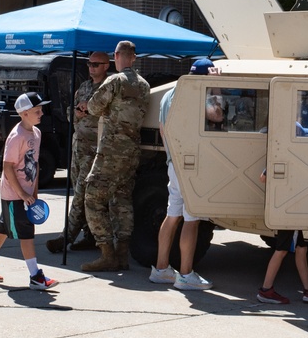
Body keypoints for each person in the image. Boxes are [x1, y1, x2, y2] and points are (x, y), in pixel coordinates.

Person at [0, 92, 58, 289]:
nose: (41, 113)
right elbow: (8, 167)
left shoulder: (36, 134)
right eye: (37, 110)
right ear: (24, 113)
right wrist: (23, 194)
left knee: (3, 227)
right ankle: (36, 276)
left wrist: (34, 192)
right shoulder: (16, 136)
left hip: (26, 195)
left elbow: (34, 165)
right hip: (14, 194)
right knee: (27, 234)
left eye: (41, 110)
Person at [81, 41, 150, 272]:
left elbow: (92, 107)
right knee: (122, 200)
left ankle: (107, 253)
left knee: (92, 198)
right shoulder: (144, 85)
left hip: (111, 150)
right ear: (134, 57)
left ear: (117, 56)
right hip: (131, 151)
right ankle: (122, 255)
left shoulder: (115, 81)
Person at [150, 58, 218, 290]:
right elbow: (217, 115)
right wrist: (216, 90)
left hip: (174, 162)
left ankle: (161, 269)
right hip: (191, 165)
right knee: (191, 219)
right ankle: (186, 274)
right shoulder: (197, 94)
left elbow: (162, 129)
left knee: (172, 215)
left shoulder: (169, 94)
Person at [256, 122, 308, 305]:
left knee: (301, 249)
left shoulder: (279, 155)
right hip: (290, 211)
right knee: (281, 250)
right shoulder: (293, 158)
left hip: (284, 208)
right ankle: (266, 290)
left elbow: (263, 178)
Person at [46, 51, 110, 254]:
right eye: (89, 64)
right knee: (78, 191)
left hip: (95, 149)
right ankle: (89, 235)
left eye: (96, 64)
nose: (91, 68)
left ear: (106, 66)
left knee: (82, 194)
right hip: (78, 147)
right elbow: (69, 113)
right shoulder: (84, 87)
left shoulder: (108, 88)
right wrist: (75, 112)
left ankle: (66, 237)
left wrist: (90, 110)